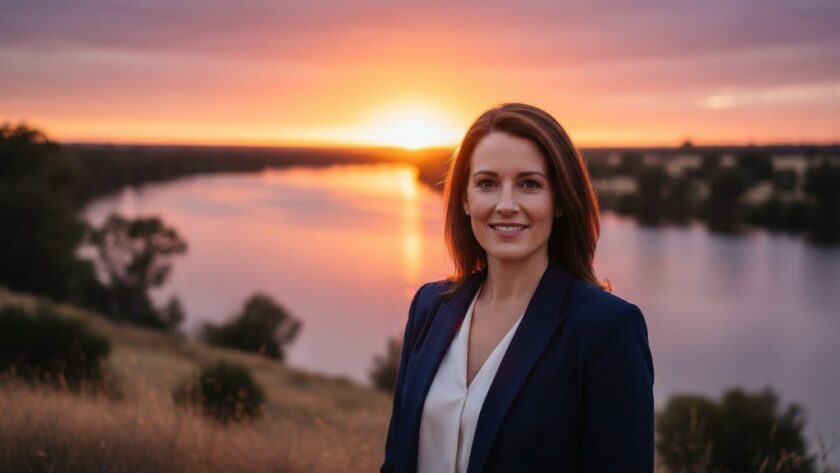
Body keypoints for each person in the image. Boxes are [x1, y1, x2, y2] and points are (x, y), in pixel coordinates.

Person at [381, 103, 654, 473]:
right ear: (465, 199)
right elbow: (397, 460)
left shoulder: (607, 329)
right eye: (487, 184)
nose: (506, 205)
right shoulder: (430, 306)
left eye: (529, 184)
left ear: (559, 200)